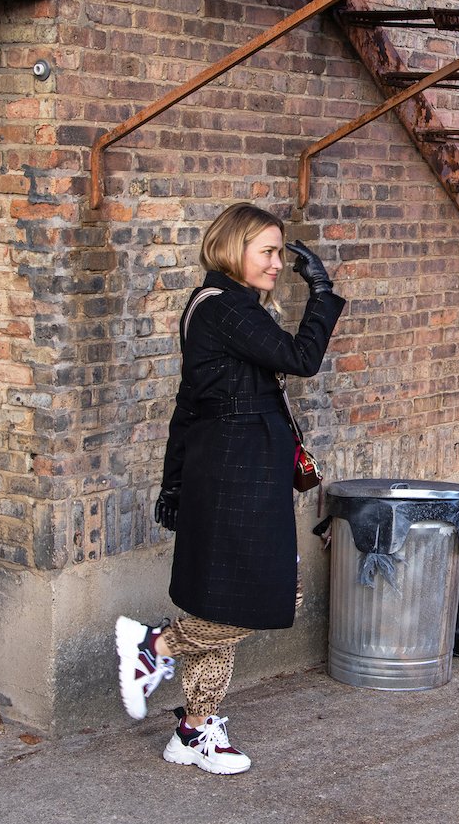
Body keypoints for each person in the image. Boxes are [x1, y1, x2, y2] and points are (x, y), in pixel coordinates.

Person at [115, 202, 346, 773]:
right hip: (235, 478)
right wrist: (321, 294)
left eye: (279, 252)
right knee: (268, 595)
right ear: (232, 248)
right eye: (267, 251)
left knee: (222, 600)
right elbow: (301, 358)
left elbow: (187, 404)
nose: (277, 263)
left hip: (229, 472)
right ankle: (155, 647)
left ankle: (194, 732)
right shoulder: (225, 308)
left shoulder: (218, 307)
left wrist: (173, 485)